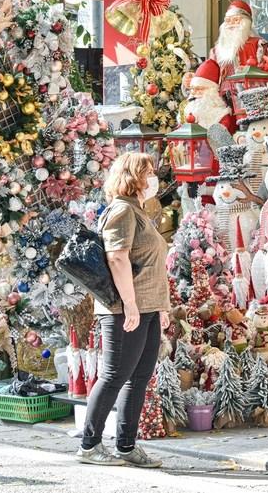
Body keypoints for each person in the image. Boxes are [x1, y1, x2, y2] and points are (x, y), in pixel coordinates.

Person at [76, 152, 170, 467]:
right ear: (133, 176)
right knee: (115, 375)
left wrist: (161, 306)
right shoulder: (122, 211)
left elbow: (151, 264)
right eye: (148, 171)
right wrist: (129, 304)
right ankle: (89, 445)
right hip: (123, 308)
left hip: (146, 306)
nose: (154, 177)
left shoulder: (138, 211)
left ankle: (126, 446)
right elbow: (117, 257)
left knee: (139, 376)